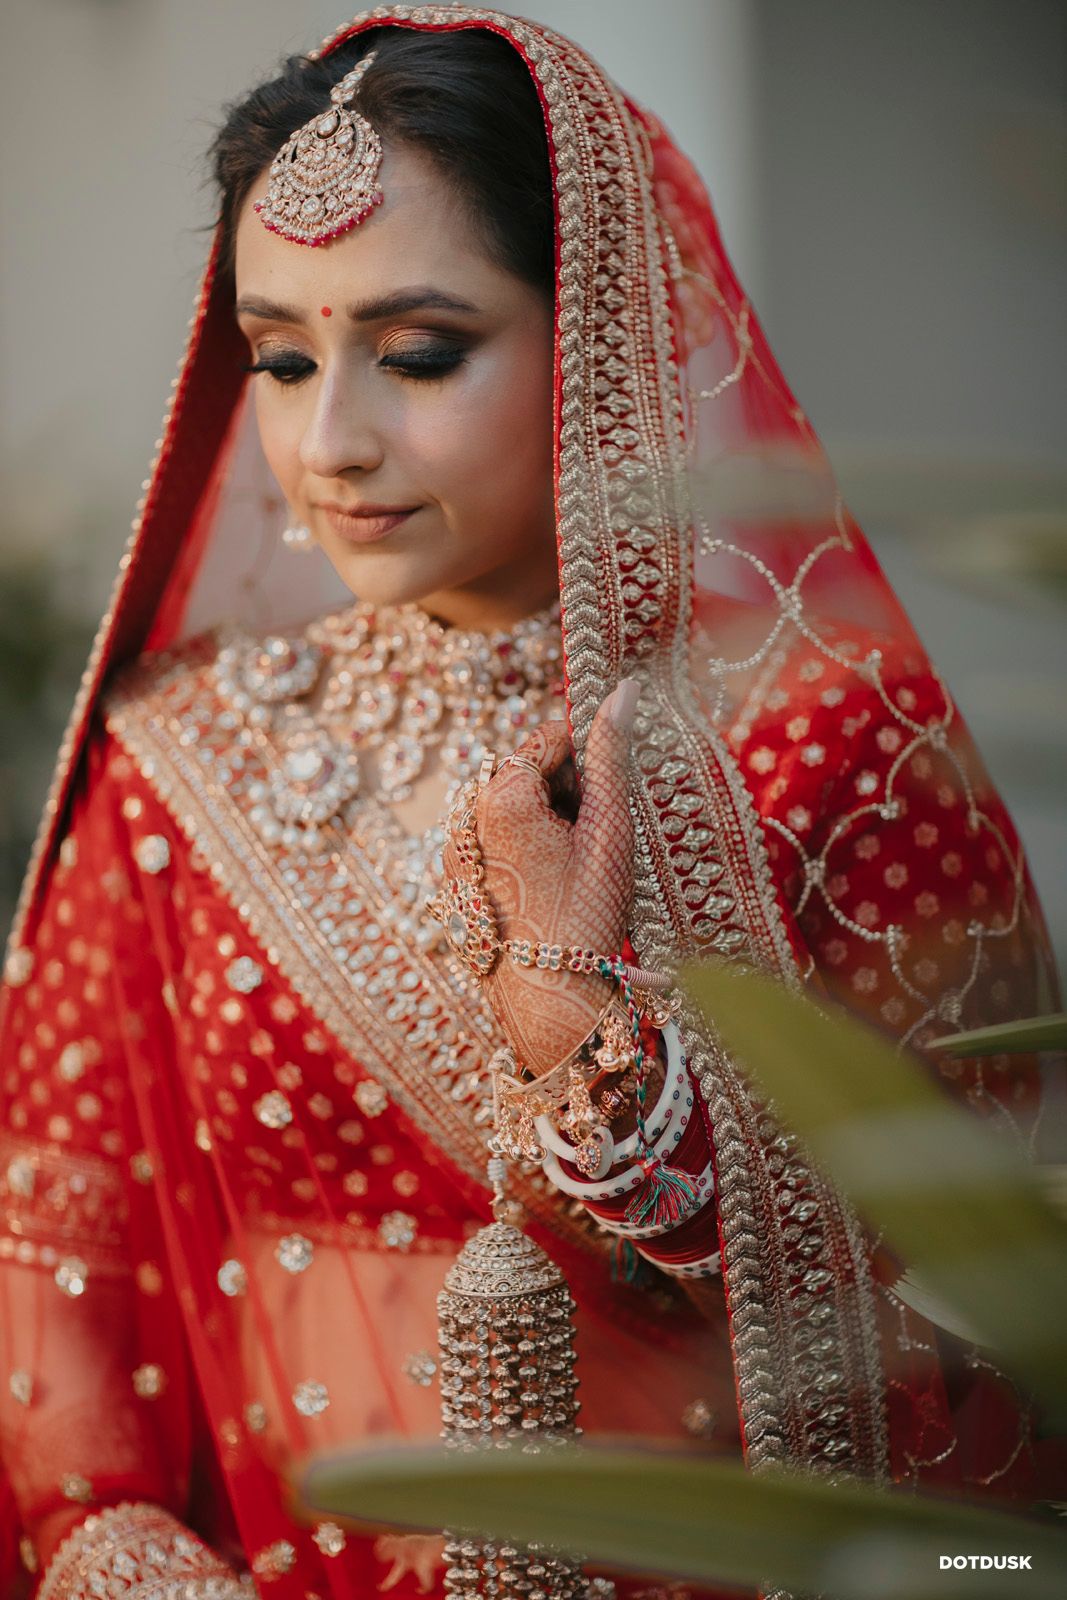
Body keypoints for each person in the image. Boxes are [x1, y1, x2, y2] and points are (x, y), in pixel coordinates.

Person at [0, 7, 1060, 1598]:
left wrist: (621, 1093)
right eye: (279, 358)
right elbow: (57, 1297)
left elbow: (986, 1329)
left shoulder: (827, 748)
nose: (330, 442)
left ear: (601, 336)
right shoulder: (178, 763)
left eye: (421, 353)